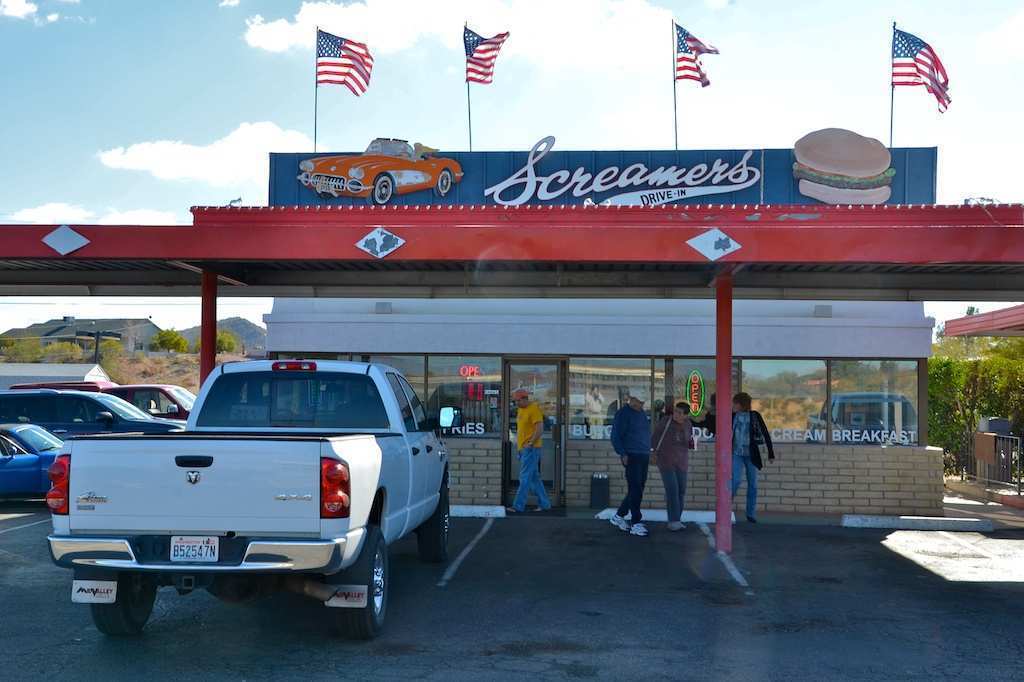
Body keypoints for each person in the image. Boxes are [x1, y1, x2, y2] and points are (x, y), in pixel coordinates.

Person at [609, 395, 652, 536]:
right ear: (632, 399)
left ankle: (619, 516)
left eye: (642, 402)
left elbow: (645, 434)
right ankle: (635, 522)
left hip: (643, 454)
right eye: (639, 401)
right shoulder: (623, 414)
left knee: (638, 488)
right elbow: (615, 436)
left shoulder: (641, 414)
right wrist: (622, 453)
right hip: (631, 455)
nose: (641, 404)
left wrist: (649, 451)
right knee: (635, 488)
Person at [729, 392, 775, 523]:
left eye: (735, 403)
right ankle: (725, 508)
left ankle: (750, 513)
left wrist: (771, 453)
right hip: (736, 453)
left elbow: (765, 433)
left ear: (742, 404)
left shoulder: (755, 416)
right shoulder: (732, 416)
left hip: (751, 454)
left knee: (753, 484)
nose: (733, 405)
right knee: (735, 481)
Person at [507, 389, 551, 514]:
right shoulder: (521, 410)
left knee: (524, 478)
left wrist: (530, 443)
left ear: (524, 398)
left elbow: (540, 428)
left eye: (518, 401)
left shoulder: (534, 409)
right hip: (523, 449)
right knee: (534, 478)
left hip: (531, 449)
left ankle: (517, 506)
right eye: (515, 402)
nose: (516, 404)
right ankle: (545, 504)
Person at [654, 401, 693, 531]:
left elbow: (689, 441)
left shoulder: (688, 424)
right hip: (666, 461)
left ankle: (677, 519)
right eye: (675, 411)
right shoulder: (666, 421)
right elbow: (654, 437)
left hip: (681, 462)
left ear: (686, 415)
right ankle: (673, 521)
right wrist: (653, 451)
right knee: (672, 491)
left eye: (680, 413)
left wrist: (691, 442)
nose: (676, 414)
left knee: (681, 491)